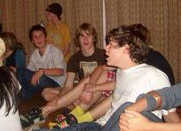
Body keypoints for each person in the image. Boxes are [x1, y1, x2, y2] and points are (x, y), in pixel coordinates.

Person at [35, 24, 176, 131]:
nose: (106, 49)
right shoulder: (122, 73)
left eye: (111, 45)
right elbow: (112, 102)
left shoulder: (154, 76)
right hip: (100, 124)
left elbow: (170, 117)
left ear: (126, 49)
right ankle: (71, 118)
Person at [41, 23, 111, 118]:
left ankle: (77, 107)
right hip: (82, 93)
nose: (85, 39)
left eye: (88, 35)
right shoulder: (74, 59)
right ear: (78, 39)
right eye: (82, 36)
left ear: (93, 38)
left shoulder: (104, 55)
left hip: (99, 93)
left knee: (87, 82)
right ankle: (81, 108)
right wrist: (57, 98)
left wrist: (60, 100)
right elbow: (68, 86)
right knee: (46, 93)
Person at [20, 24, 66, 99]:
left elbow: (60, 71)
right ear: (32, 41)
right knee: (21, 71)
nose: (38, 38)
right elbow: (28, 72)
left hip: (57, 84)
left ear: (46, 38)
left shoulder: (54, 51)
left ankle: (25, 93)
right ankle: (24, 93)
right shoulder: (34, 55)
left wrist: (42, 71)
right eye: (35, 37)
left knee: (40, 79)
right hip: (42, 84)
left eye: (41, 35)